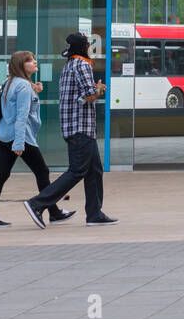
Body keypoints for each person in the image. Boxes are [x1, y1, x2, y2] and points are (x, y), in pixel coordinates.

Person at [21, 34, 115, 228]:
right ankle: (37, 203)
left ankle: (95, 214)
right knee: (77, 171)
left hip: (76, 127)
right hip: (80, 127)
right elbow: (88, 96)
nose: (90, 46)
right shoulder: (82, 65)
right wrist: (99, 90)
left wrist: (92, 91)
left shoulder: (69, 65)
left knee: (94, 171)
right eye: (88, 44)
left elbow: (78, 97)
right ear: (83, 47)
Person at [0, 51, 72, 228]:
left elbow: (13, 104)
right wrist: (19, 142)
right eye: (30, 61)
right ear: (21, 66)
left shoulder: (11, 82)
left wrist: (34, 90)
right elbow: (21, 116)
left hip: (4, 135)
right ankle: (51, 211)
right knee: (42, 171)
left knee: (1, 176)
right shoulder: (23, 86)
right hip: (19, 136)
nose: (34, 62)